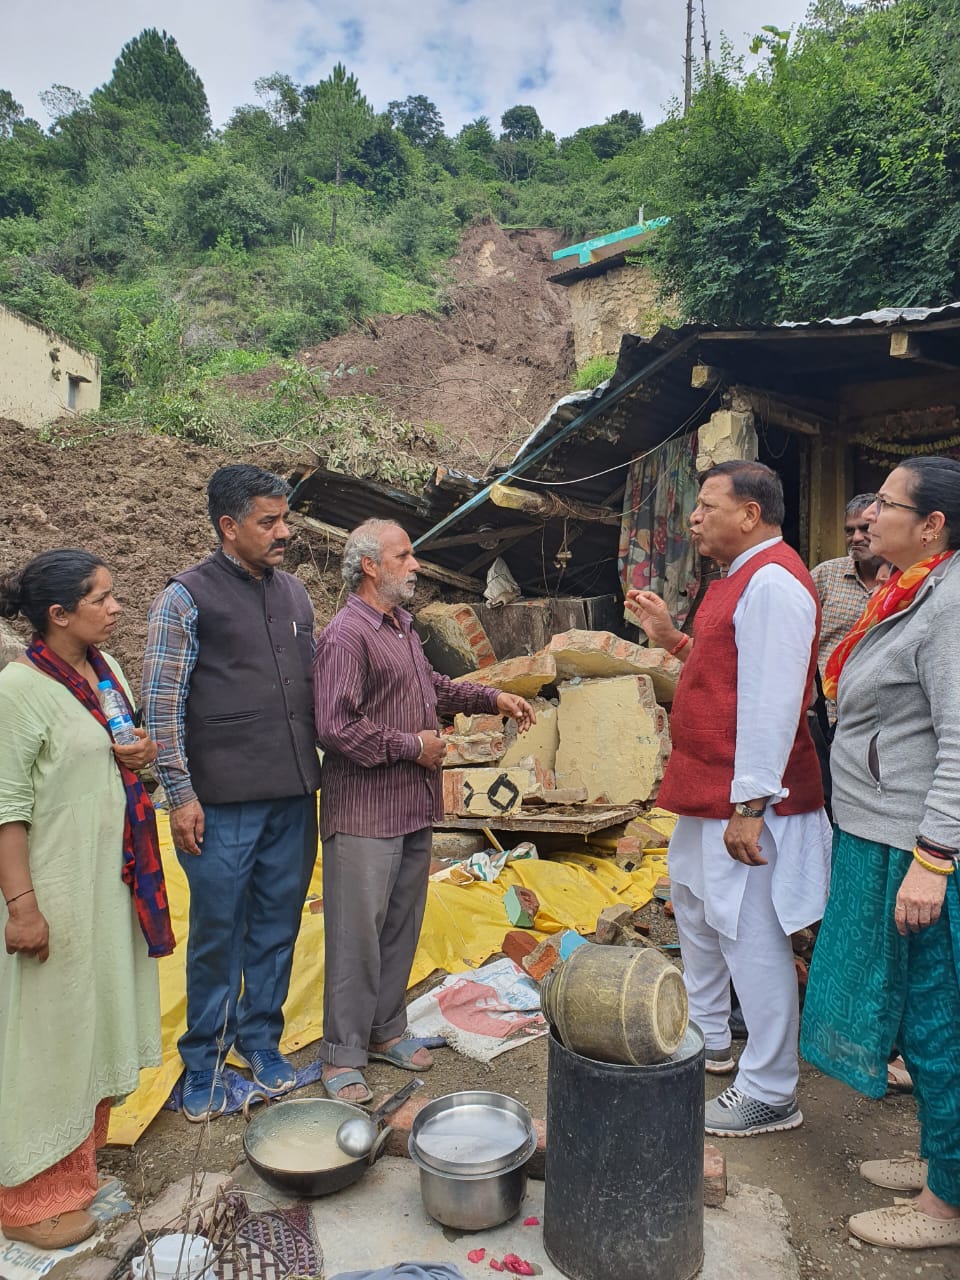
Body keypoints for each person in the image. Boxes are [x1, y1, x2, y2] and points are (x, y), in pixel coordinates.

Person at [626, 460, 831, 1137]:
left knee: (749, 934)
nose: (693, 517)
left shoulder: (774, 582)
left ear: (750, 513)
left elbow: (774, 702)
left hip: (746, 799)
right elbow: (727, 676)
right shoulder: (739, 578)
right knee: (695, 909)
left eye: (707, 505)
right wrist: (670, 639)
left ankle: (771, 1088)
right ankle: (709, 1039)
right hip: (709, 789)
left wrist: (750, 808)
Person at [313, 519, 536, 1102]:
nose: (415, 566)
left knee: (400, 926)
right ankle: (341, 1056)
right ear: (369, 565)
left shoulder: (401, 626)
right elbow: (335, 727)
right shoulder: (346, 635)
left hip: (411, 806)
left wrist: (492, 696)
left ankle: (385, 1031)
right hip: (363, 813)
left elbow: (431, 687)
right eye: (404, 556)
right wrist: (413, 746)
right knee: (356, 937)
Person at [801, 456, 960, 1250]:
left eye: (888, 506)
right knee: (906, 1006)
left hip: (915, 844)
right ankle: (942, 1159)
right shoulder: (909, 592)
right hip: (882, 831)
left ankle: (946, 1205)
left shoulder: (950, 606)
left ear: (931, 525)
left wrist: (933, 859)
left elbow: (958, 739)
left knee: (937, 1015)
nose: (869, 517)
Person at [0, 550, 170, 1249]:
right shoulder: (18, 690)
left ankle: (74, 1175)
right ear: (59, 614)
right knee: (46, 1040)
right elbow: (6, 810)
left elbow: (113, 753)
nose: (117, 607)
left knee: (90, 1027)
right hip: (54, 893)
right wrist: (22, 907)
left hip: (107, 888)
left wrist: (138, 754)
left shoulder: (106, 672)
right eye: (102, 598)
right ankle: (24, 1200)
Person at [143, 465, 321, 1122]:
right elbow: (162, 706)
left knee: (277, 926)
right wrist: (180, 795)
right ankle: (204, 1065)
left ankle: (261, 1044)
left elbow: (315, 684)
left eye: (285, 518)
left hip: (292, 798)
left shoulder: (295, 594)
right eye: (268, 522)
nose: (284, 532)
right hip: (218, 806)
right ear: (228, 526)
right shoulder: (185, 599)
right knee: (218, 933)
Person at [811, 494, 884, 722]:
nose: (856, 538)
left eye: (865, 528)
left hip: (879, 714)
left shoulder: (905, 579)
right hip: (826, 713)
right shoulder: (826, 575)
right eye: (849, 531)